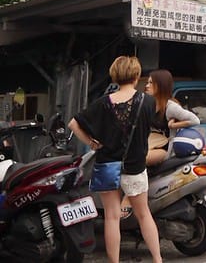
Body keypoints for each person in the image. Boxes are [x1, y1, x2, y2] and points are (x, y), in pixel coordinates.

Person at [68, 55, 162, 263]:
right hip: (135, 166)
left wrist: (91, 143)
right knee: (144, 214)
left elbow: (73, 124)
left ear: (115, 76)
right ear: (136, 75)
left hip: (107, 166)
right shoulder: (148, 102)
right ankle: (157, 259)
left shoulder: (102, 104)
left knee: (111, 217)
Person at [144, 69, 200, 166]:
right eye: (147, 82)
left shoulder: (170, 107)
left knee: (139, 160)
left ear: (161, 85)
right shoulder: (149, 105)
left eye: (151, 83)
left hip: (163, 150)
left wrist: (173, 125)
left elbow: (195, 120)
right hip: (150, 144)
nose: (147, 86)